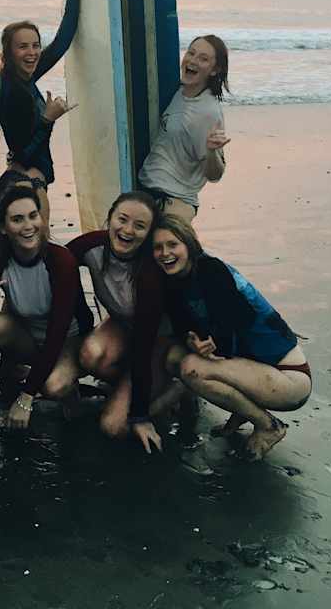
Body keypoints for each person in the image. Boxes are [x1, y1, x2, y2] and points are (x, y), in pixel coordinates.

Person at [142, 216, 312, 460]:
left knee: (192, 368)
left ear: (189, 244)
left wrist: (212, 342)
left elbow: (238, 321)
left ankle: (269, 426)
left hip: (290, 377)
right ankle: (239, 413)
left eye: (172, 244)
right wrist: (192, 340)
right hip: (254, 369)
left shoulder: (211, 270)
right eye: (157, 248)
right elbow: (185, 327)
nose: (164, 253)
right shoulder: (175, 282)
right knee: (174, 356)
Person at [0, 187, 93, 439]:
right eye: (17, 219)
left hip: (68, 341)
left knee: (54, 386)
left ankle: (69, 389)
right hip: (30, 339)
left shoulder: (60, 261)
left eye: (33, 216)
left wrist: (26, 397)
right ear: (2, 227)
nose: (28, 225)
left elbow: (57, 332)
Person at [70, 191, 181, 443]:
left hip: (156, 340)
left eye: (140, 226)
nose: (128, 230)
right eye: (123, 219)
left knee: (114, 427)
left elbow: (144, 345)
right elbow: (57, 265)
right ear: (110, 218)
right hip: (123, 325)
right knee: (91, 355)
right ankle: (129, 388)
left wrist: (140, 415)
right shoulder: (92, 246)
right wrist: (81, 313)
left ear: (150, 233)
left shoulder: (150, 272)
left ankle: (176, 388)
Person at [0, 0, 86, 218]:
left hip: (32, 173)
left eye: (35, 45)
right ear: (9, 52)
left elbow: (59, 45)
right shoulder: (12, 91)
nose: (32, 52)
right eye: (23, 47)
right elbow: (24, 153)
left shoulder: (24, 76)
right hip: (28, 178)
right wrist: (48, 119)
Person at [137, 35, 230, 223]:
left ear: (215, 70)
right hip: (151, 194)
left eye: (203, 59)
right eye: (191, 52)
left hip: (175, 204)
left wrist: (212, 151)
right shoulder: (181, 91)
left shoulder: (206, 112)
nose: (193, 60)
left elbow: (215, 175)